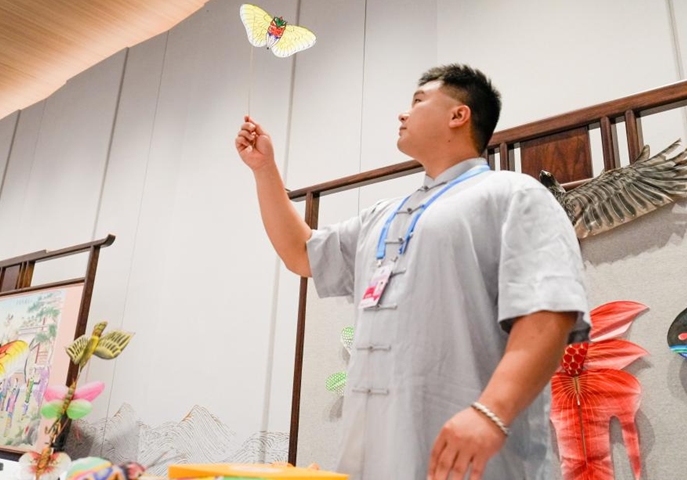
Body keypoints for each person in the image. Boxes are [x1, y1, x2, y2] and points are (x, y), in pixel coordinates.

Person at [235, 64, 590, 480]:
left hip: (474, 462)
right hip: (371, 459)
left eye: (418, 101)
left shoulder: (513, 194)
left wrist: (491, 413)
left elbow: (548, 313)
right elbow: (300, 253)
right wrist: (264, 170)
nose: (403, 114)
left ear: (459, 115)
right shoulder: (381, 216)